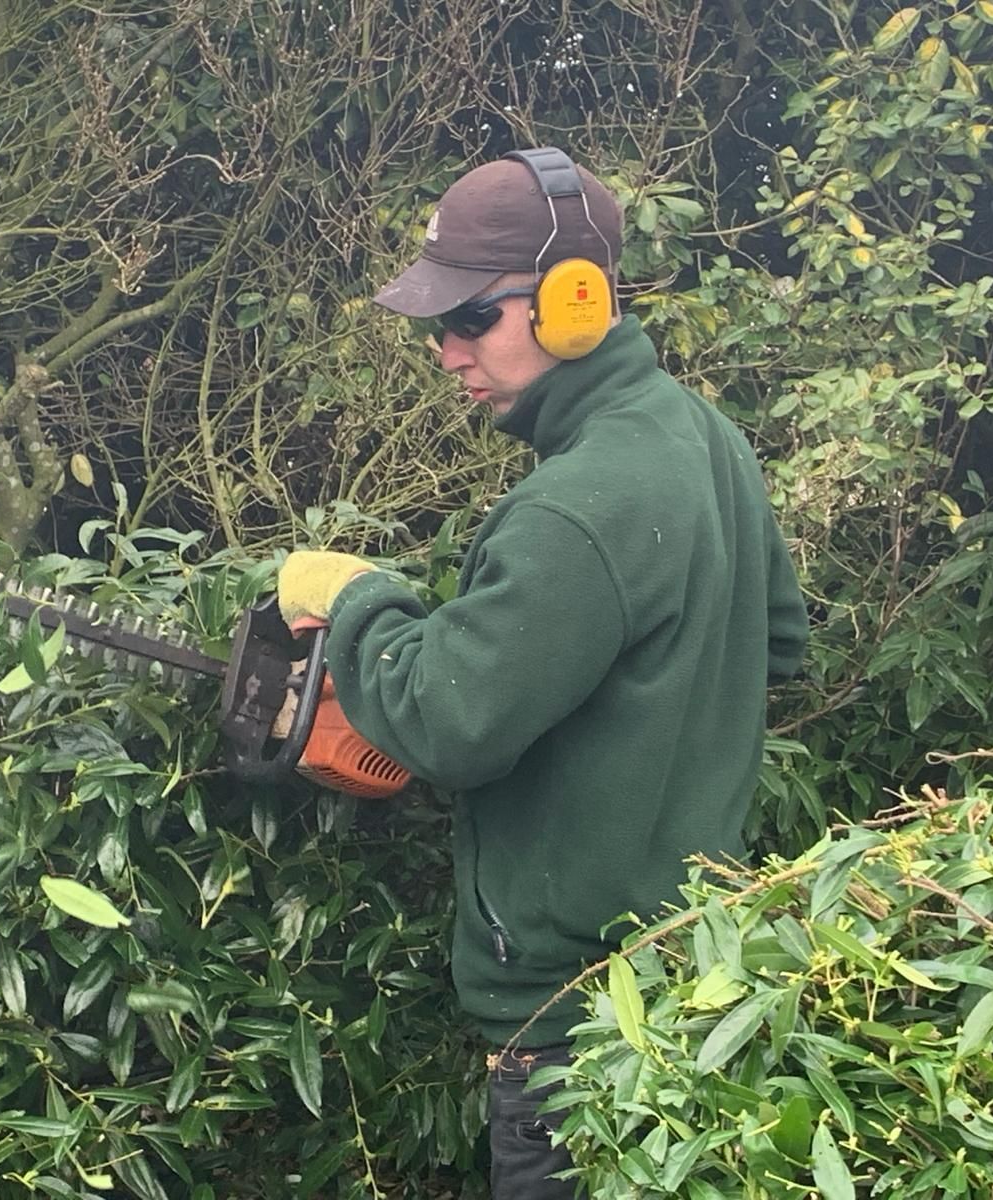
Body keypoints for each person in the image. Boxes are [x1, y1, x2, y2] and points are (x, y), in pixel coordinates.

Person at [276, 149, 808, 1198]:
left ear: (574, 304)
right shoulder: (704, 440)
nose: (444, 350)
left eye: (470, 318)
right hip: (690, 977)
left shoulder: (580, 501)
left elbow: (451, 722)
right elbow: (775, 642)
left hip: (573, 1023)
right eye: (435, 324)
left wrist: (359, 602)